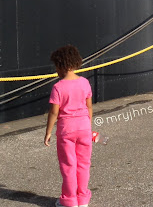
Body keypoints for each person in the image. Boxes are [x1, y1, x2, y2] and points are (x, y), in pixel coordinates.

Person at [45, 45, 93, 207]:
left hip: (66, 131)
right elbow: (89, 107)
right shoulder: (85, 83)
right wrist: (88, 126)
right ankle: (83, 199)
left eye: (56, 67)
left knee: (68, 166)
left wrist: (48, 132)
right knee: (84, 163)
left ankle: (70, 200)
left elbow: (54, 113)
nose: (56, 70)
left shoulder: (58, 87)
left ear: (61, 66)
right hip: (84, 128)